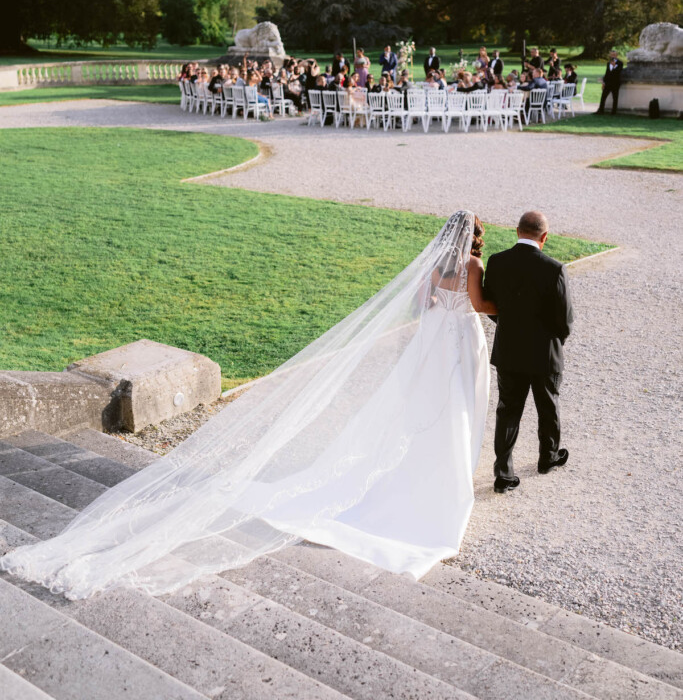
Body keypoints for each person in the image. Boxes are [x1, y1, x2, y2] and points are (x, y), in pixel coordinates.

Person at [0, 212, 494, 596]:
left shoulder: (434, 266)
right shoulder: (471, 266)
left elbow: (424, 304)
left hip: (432, 338)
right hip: (456, 340)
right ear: (471, 238)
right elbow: (481, 304)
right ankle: (438, 477)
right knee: (452, 408)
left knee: (422, 407)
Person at [483, 211, 573, 493]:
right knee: (548, 406)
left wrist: (508, 327)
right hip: (545, 353)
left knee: (507, 411)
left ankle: (504, 473)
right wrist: (554, 341)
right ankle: (548, 458)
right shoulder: (555, 269)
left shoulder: (497, 262)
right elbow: (565, 320)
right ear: (544, 237)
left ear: (517, 231)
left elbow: (492, 305)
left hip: (509, 351)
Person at [597, 50, 623, 115]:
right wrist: (603, 82)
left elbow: (618, 72)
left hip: (615, 83)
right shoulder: (608, 63)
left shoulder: (620, 63)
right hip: (608, 83)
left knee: (615, 98)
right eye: (612, 55)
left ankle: (613, 112)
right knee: (603, 97)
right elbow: (607, 73)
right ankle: (601, 110)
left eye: (614, 55)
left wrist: (614, 66)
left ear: (616, 55)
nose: (613, 56)